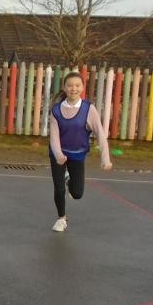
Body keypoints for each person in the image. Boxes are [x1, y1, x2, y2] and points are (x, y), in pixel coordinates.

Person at [47, 71, 112, 232]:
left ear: (82, 88)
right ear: (64, 87)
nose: (73, 89)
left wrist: (105, 159)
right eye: (69, 85)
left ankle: (69, 178)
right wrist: (59, 155)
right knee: (59, 188)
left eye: (77, 85)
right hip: (58, 154)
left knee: (77, 193)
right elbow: (54, 137)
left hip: (77, 154)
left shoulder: (89, 109)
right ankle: (61, 218)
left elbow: (101, 135)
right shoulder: (56, 110)